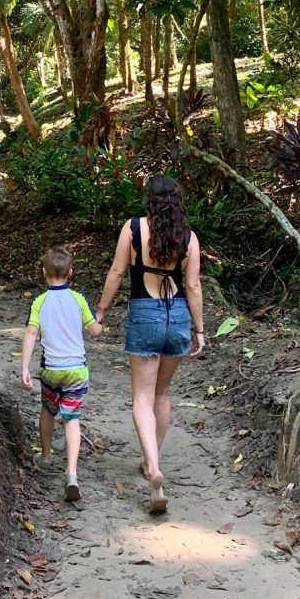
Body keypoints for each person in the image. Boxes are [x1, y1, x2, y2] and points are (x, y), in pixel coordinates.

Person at [95, 174, 204, 514]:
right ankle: (150, 461)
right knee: (162, 394)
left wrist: (101, 312)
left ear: (149, 200)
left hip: (145, 314)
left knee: (142, 396)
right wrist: (199, 330)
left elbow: (116, 272)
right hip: (178, 319)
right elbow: (194, 286)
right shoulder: (187, 237)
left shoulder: (132, 229)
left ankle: (153, 467)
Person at [21, 246, 103, 502]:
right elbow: (94, 331)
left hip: (52, 370)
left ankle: (45, 456)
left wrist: (24, 366)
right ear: (71, 272)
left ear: (44, 273)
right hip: (77, 370)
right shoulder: (78, 300)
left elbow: (31, 333)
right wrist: (99, 320)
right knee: (72, 418)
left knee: (47, 409)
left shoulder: (40, 302)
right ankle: (71, 474)